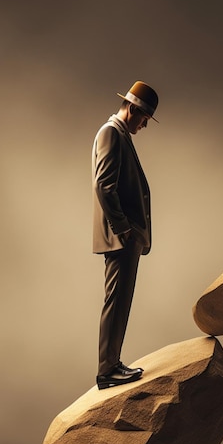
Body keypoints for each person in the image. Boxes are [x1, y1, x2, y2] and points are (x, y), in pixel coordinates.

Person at [92, 81, 159, 390]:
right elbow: (103, 186)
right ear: (132, 108)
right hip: (121, 238)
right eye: (144, 119)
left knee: (121, 302)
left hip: (127, 238)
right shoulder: (111, 133)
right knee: (116, 301)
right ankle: (107, 370)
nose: (144, 125)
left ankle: (112, 364)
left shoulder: (119, 134)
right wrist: (124, 229)